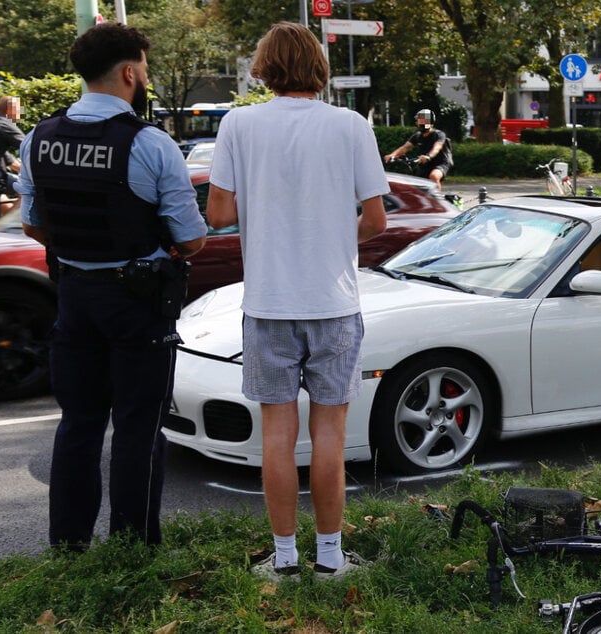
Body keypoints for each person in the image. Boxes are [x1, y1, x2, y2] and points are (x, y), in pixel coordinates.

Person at [206, 21, 387, 581]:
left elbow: (217, 215)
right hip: (333, 304)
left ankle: (284, 559)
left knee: (278, 436)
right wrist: (331, 236)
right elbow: (376, 220)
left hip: (267, 305)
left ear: (264, 67)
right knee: (330, 435)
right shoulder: (351, 126)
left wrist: (267, 213)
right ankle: (331, 558)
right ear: (318, 67)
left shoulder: (239, 123)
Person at [16, 22, 207, 551]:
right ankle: (132, 548)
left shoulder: (40, 136)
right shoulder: (150, 143)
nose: (144, 77)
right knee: (138, 428)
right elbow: (191, 241)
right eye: (144, 68)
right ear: (129, 72)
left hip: (73, 299)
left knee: (77, 424)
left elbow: (33, 225)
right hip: (136, 303)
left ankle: (69, 546)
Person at [384, 109, 453, 189]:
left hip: (441, 163)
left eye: (421, 121)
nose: (418, 123)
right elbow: (405, 147)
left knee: (434, 176)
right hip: (426, 164)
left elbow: (437, 148)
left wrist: (428, 156)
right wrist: (392, 155)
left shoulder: (439, 134)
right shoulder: (418, 136)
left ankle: (437, 200)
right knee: (416, 183)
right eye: (418, 121)